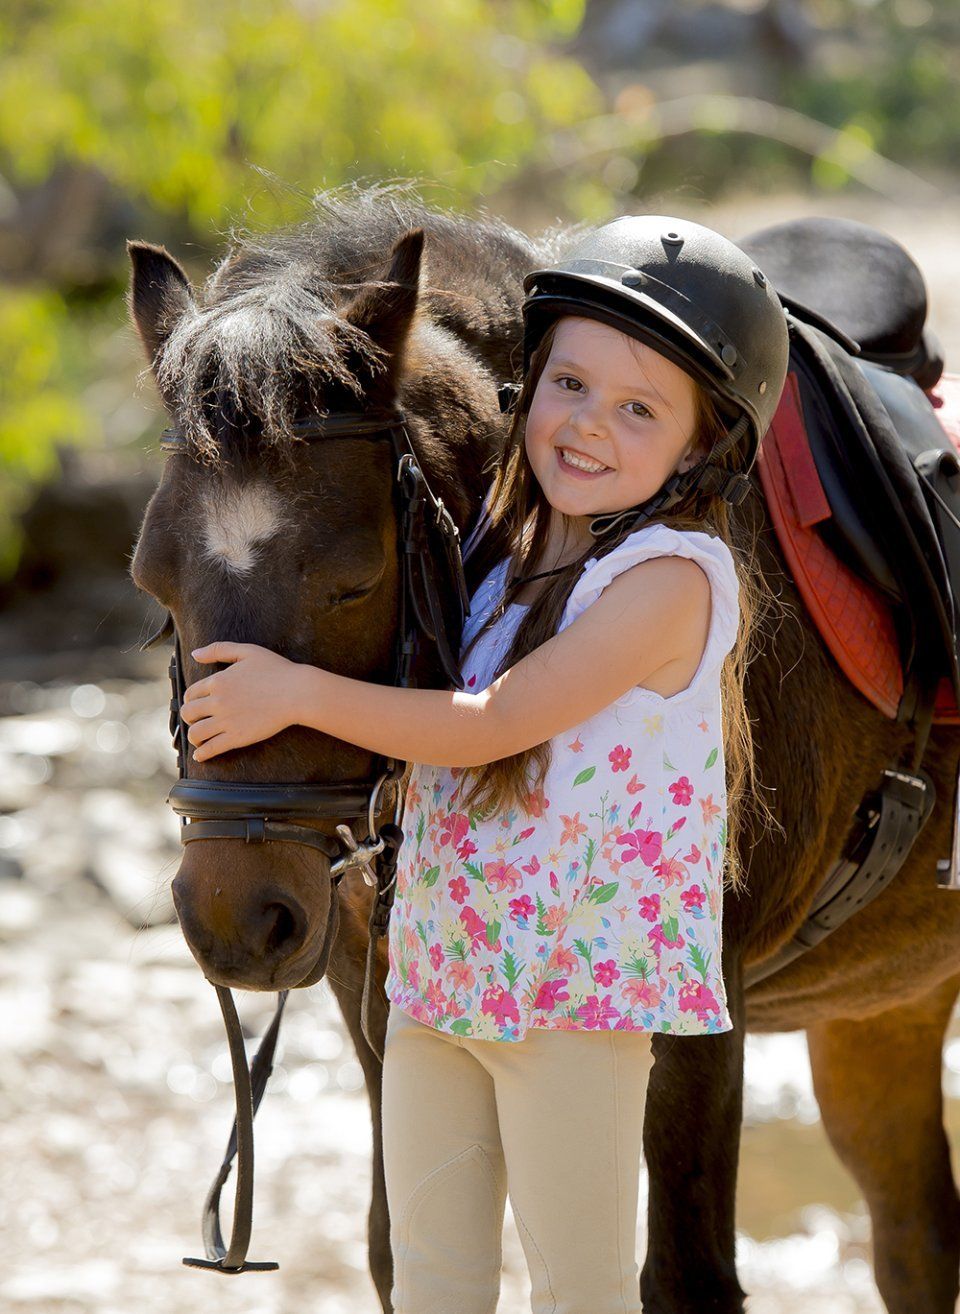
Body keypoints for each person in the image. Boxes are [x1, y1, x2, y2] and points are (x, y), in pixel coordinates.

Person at [178, 214, 790, 1313]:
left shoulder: (670, 580)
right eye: (569, 385)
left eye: (638, 409)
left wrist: (295, 689)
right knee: (432, 1287)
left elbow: (494, 722)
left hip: (570, 1008)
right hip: (439, 984)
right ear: (528, 385)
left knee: (581, 1292)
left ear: (701, 448)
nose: (588, 425)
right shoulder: (498, 558)